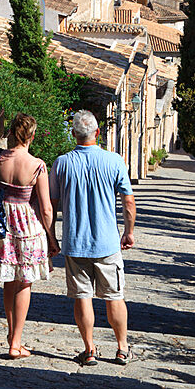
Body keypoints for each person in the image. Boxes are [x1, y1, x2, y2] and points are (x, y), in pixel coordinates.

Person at [49, 110, 136, 366]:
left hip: (76, 242)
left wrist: (51, 237)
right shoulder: (114, 161)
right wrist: (128, 231)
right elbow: (128, 201)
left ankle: (89, 350)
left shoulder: (62, 163)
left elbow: (51, 205)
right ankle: (122, 349)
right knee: (115, 296)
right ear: (97, 133)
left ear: (73, 134)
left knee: (82, 297)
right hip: (107, 242)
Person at [0, 113, 57, 359]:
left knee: (9, 280)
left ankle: (12, 336)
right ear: (32, 136)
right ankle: (16, 343)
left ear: (11, 133)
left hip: (3, 225)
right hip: (27, 228)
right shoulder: (37, 165)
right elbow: (46, 209)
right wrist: (52, 237)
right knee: (24, 282)